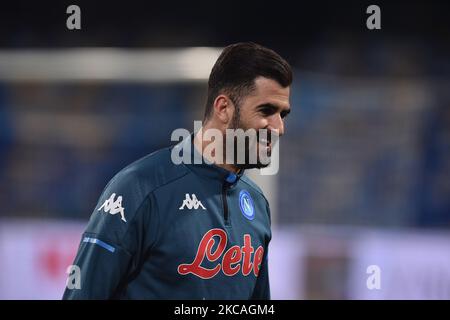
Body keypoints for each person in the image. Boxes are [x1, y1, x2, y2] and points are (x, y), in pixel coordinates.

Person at [63, 42, 292, 299]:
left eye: (283, 114)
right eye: (267, 110)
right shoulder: (139, 188)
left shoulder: (258, 205)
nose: (279, 128)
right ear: (223, 108)